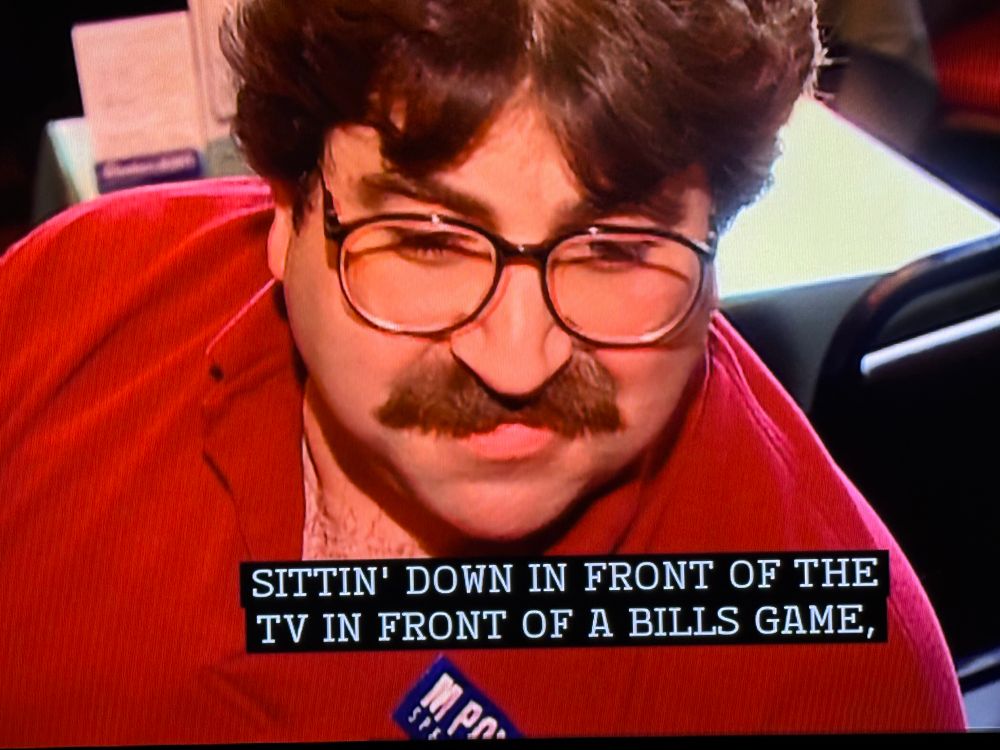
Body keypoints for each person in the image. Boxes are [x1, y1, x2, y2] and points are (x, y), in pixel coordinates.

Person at [0, 0, 965, 743]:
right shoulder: (61, 301)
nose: (517, 361)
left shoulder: (839, 675)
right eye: (425, 240)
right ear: (286, 205)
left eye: (615, 248)